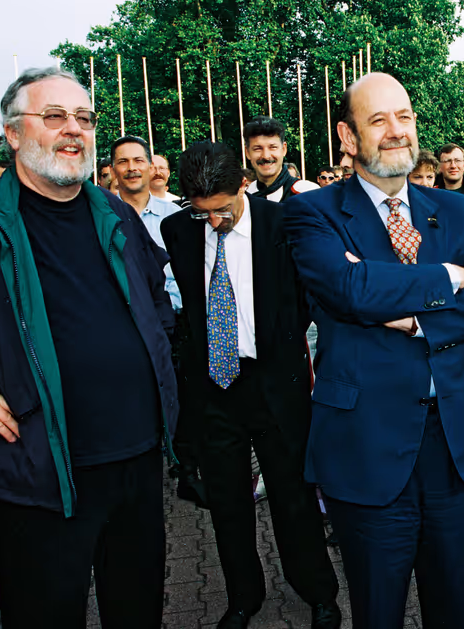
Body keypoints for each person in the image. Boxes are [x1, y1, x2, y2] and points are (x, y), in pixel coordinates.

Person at [0, 67, 178, 628]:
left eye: (84, 118)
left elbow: (155, 306)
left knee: (138, 609)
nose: (74, 129)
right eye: (54, 116)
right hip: (37, 469)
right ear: (13, 134)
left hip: (137, 461)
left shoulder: (114, 213)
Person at [283, 72, 464, 629]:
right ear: (347, 136)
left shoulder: (457, 210)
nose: (396, 130)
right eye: (378, 119)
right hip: (365, 444)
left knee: (455, 607)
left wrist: (415, 320)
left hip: (452, 443)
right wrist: (449, 276)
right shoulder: (312, 212)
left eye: (404, 116)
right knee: (378, 611)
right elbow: (349, 291)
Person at [160, 141, 341, 629]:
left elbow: (308, 298)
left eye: (221, 210)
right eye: (202, 213)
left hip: (275, 384)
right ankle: (243, 596)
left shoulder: (284, 223)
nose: (212, 222)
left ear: (243, 184)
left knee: (293, 496)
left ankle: (318, 592)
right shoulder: (178, 229)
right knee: (228, 502)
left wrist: (283, 346)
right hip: (215, 389)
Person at [112, 135, 182, 311]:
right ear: (113, 171)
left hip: (171, 314)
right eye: (123, 162)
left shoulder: (173, 215)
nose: (131, 168)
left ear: (150, 167)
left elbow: (186, 272)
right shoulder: (103, 217)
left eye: (138, 160)